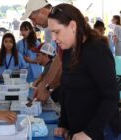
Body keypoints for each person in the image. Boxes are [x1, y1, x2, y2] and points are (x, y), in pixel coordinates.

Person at [48, 3, 119, 140]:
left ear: (73, 26)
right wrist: (64, 124)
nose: (53, 38)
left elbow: (111, 97)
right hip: (78, 130)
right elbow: (68, 91)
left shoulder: (97, 50)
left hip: (100, 132)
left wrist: (89, 133)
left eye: (56, 32)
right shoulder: (69, 50)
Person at [21, 0, 62, 102]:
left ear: (43, 11)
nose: (34, 24)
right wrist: (44, 85)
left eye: (33, 19)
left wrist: (47, 87)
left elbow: (62, 60)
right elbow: (59, 57)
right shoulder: (49, 29)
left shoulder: (61, 22)